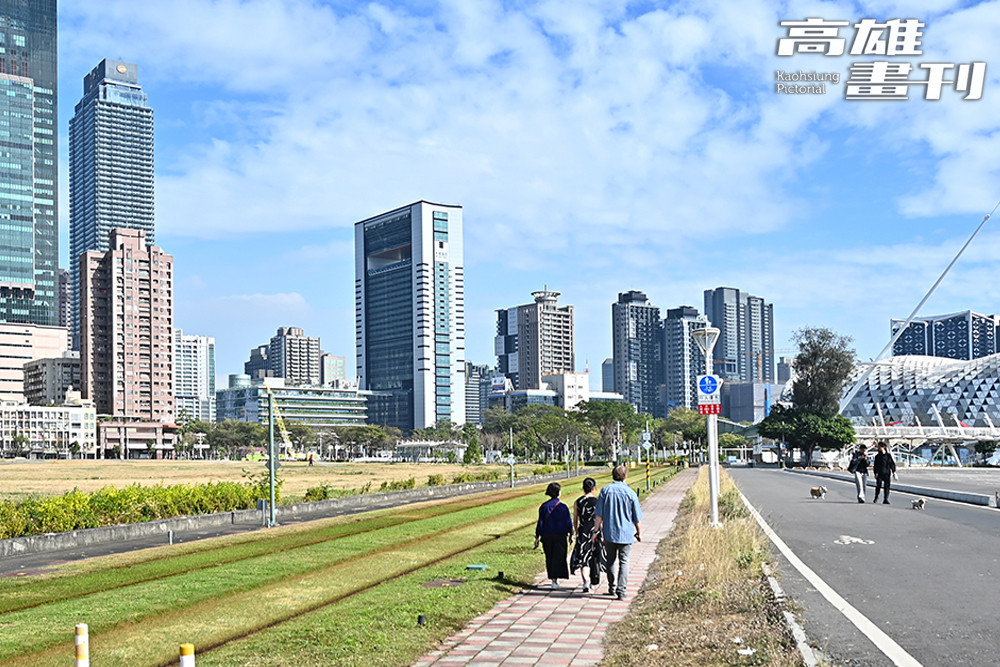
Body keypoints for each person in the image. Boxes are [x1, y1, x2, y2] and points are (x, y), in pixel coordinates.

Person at [593, 465, 642, 601]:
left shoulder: (605, 491)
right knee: (624, 561)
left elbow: (599, 515)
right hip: (626, 533)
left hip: (609, 532)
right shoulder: (631, 493)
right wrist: (639, 532)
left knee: (611, 560)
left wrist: (596, 531)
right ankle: (622, 590)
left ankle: (612, 587)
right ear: (625, 476)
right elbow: (637, 518)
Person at [534, 481, 573, 588]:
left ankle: (553, 579)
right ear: (558, 492)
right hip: (560, 535)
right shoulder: (563, 507)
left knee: (550, 556)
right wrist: (571, 534)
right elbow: (568, 522)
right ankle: (556, 580)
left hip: (547, 536)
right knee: (560, 557)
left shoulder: (544, 507)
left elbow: (540, 523)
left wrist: (537, 536)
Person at [570, 477, 605, 593]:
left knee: (583, 557)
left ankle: (585, 582)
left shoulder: (578, 502)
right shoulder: (598, 502)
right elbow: (601, 519)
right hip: (595, 532)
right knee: (595, 557)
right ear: (594, 488)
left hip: (583, 533)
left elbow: (575, 519)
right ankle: (594, 582)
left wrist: (575, 531)